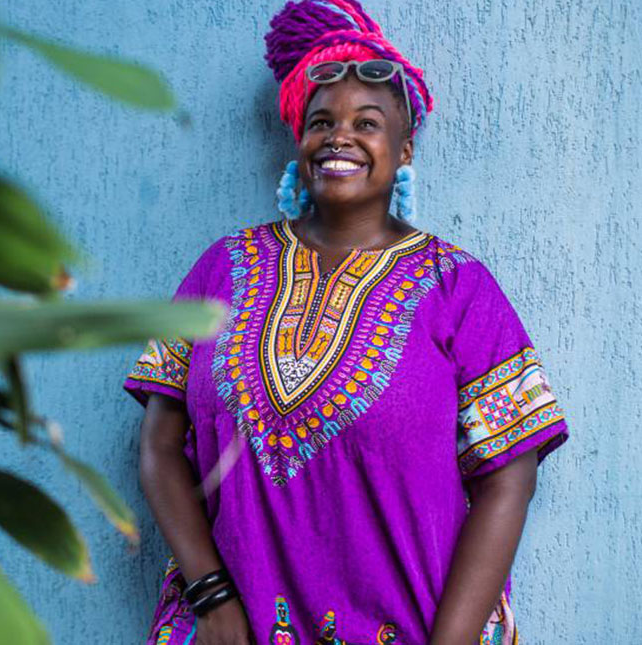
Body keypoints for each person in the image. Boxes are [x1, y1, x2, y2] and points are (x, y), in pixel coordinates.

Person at [122, 1, 570, 643]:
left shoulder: (457, 287)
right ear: (298, 139)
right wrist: (213, 601)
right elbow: (160, 446)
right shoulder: (221, 268)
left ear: (404, 146)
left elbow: (510, 476)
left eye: (367, 122)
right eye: (321, 121)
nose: (340, 137)